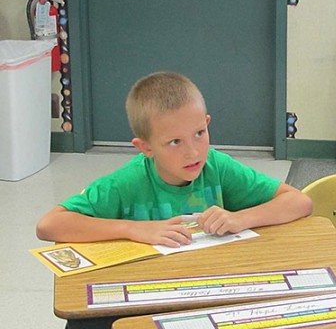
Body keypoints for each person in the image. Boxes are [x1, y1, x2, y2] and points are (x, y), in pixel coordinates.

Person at [36, 71, 313, 245]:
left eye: (199, 133)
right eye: (174, 142)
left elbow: (300, 202)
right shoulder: (127, 183)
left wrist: (240, 218)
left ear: (207, 122)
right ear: (145, 148)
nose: (192, 152)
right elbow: (49, 225)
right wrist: (134, 229)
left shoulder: (216, 166)